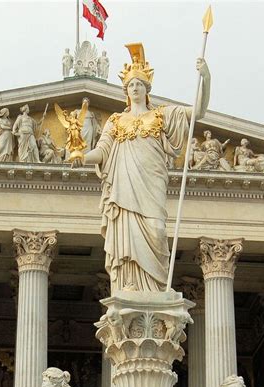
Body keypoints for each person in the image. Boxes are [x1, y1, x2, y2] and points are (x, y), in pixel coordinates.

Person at [72, 43, 210, 292]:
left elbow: (198, 111)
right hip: (124, 188)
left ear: (147, 89)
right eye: (131, 85)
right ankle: (130, 284)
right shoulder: (116, 121)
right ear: (126, 91)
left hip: (151, 185)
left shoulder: (161, 116)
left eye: (139, 84)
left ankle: (155, 290)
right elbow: (103, 151)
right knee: (127, 238)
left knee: (157, 231)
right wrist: (82, 155)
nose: (135, 88)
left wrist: (206, 77)